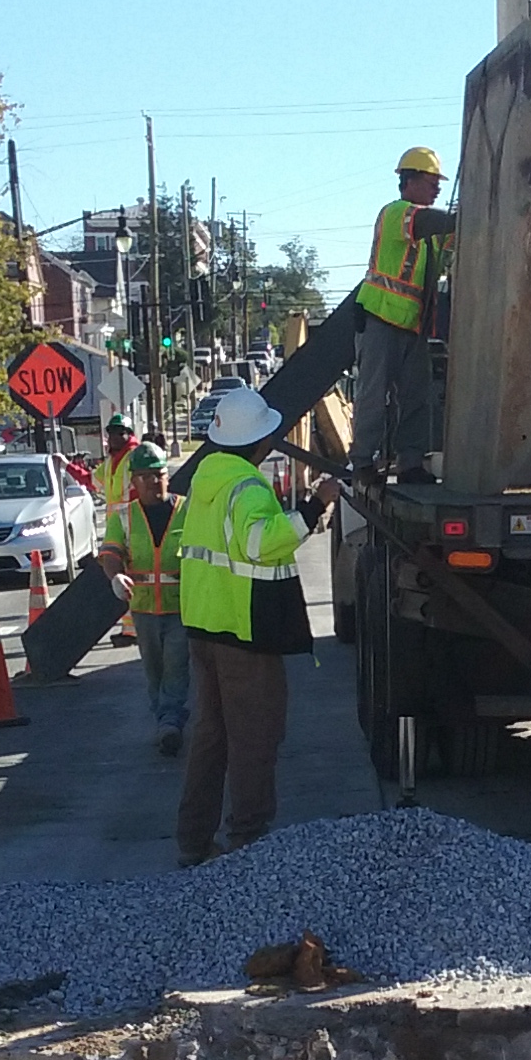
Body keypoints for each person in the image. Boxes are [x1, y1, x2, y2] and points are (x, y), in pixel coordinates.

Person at [176, 383, 338, 866]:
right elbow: (261, 543)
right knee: (255, 736)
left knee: (212, 736)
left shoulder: (206, 479)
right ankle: (248, 844)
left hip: (207, 627)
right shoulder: (245, 487)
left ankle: (193, 842)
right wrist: (314, 507)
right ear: (258, 443)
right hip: (244, 632)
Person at [351, 145, 455, 486]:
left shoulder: (432, 234)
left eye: (439, 182)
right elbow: (435, 221)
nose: (437, 188)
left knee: (416, 397)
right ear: (408, 181)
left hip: (413, 328)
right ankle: (364, 462)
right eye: (431, 181)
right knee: (372, 394)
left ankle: (410, 464)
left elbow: (460, 235)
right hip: (381, 320)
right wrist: (465, 217)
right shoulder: (396, 214)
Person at [99, 442, 190, 756]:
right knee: (154, 670)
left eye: (160, 474)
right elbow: (110, 552)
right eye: (146, 476)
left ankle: (170, 722)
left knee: (177, 665)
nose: (155, 482)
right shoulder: (125, 517)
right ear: (134, 482)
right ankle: (164, 718)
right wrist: (116, 576)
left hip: (182, 606)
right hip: (144, 609)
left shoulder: (187, 510)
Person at [96, 412, 137, 529]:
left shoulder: (135, 456)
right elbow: (92, 480)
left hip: (133, 523)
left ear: (130, 435)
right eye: (111, 433)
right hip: (114, 524)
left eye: (120, 432)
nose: (114, 437)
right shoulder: (110, 460)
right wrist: (67, 466)